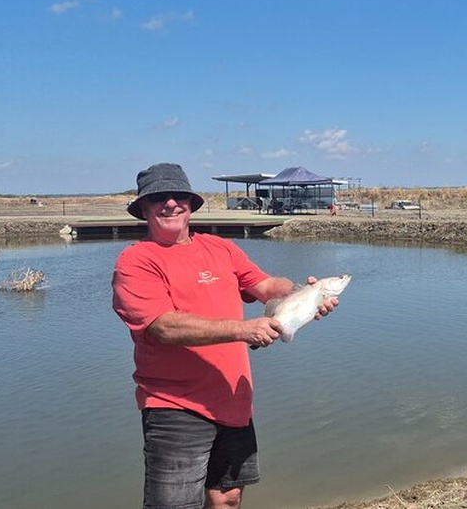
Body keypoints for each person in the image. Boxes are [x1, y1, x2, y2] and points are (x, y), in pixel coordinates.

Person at [112, 163, 338, 509]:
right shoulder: (136, 261)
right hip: (175, 406)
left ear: (191, 203)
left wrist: (304, 295)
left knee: (228, 498)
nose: (170, 203)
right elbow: (163, 326)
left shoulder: (221, 249)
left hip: (234, 399)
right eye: (159, 198)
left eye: (179, 196)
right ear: (143, 208)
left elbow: (265, 286)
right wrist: (243, 329)